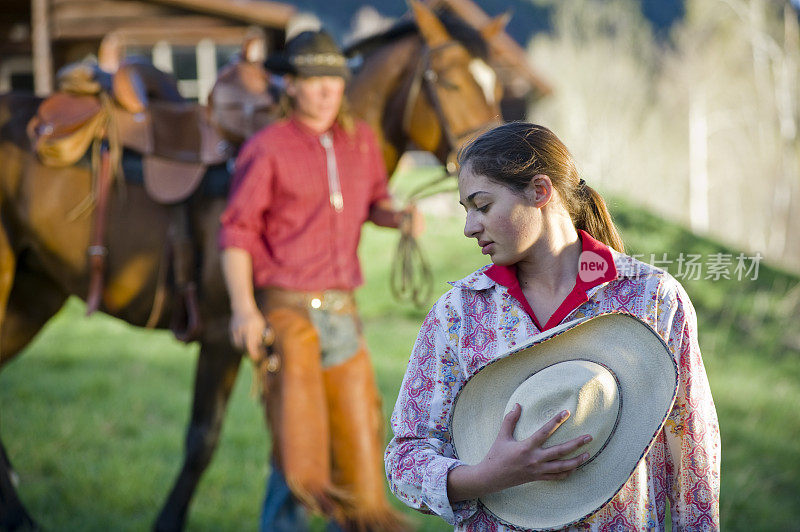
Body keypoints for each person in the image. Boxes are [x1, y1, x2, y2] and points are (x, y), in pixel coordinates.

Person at [385, 122, 720, 530]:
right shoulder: (458, 314)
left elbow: (693, 455)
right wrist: (484, 477)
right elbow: (404, 461)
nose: (469, 226)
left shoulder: (651, 300)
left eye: (482, 205)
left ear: (540, 191)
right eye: (466, 210)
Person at [219, 30, 416, 531]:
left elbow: (374, 200)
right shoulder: (266, 149)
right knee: (297, 447)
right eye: (313, 79)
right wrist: (244, 309)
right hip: (286, 313)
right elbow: (237, 231)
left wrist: (398, 217)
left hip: (343, 314)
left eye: (334, 77)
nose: (327, 89)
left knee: (358, 441)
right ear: (290, 84)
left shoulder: (361, 142)